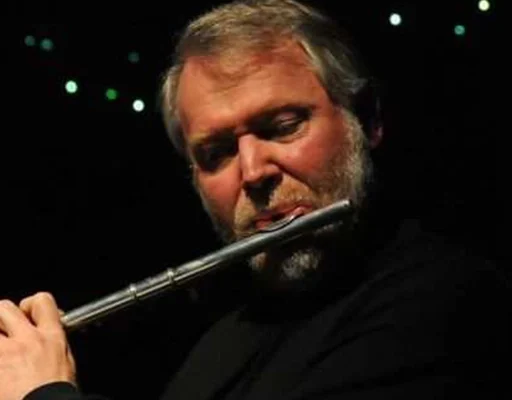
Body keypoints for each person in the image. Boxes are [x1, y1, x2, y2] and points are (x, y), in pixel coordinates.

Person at [0, 1, 508, 399]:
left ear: (367, 119)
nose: (253, 171)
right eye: (217, 153)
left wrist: (42, 393)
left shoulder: (447, 303)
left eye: (283, 126)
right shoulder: (225, 341)